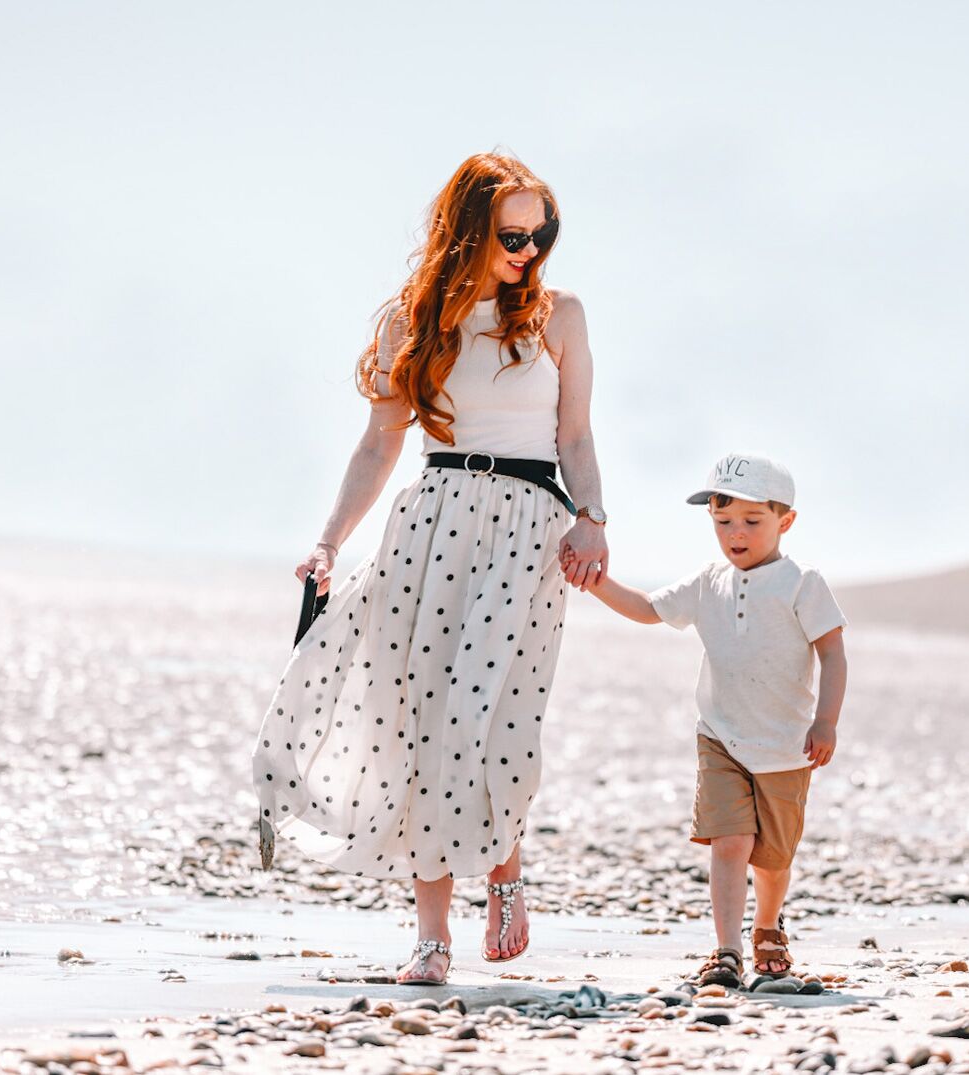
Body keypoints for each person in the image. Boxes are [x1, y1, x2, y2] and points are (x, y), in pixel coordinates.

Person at [252, 152, 611, 985]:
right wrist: (330, 540)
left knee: (490, 719)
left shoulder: (560, 316)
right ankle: (432, 936)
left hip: (529, 528)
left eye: (542, 232)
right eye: (513, 233)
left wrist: (593, 519)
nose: (531, 248)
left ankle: (506, 869)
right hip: (432, 521)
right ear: (470, 230)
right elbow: (381, 443)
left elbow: (578, 436)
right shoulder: (408, 321)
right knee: (419, 720)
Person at [579, 453, 848, 984]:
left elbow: (833, 654)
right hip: (720, 736)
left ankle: (767, 925)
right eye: (724, 522)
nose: (736, 534)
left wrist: (826, 722)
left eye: (752, 521)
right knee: (729, 842)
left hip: (785, 744)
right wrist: (594, 581)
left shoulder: (802, 582)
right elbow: (648, 609)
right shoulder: (707, 582)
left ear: (785, 521)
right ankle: (727, 950)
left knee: (771, 858)